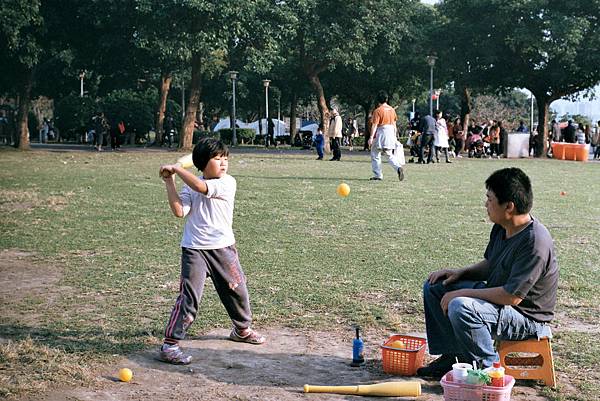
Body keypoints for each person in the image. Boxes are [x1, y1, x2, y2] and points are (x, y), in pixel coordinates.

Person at [417, 167, 558, 378]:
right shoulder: (503, 226)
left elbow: (512, 296)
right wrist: (459, 273)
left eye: (490, 199)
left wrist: (460, 294)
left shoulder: (534, 242)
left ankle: (490, 372)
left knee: (460, 306)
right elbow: (491, 264)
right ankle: (454, 357)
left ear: (509, 206)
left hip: (526, 317)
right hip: (500, 302)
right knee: (435, 286)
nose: (486, 204)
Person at [157, 138, 265, 365]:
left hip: (223, 248)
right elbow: (179, 211)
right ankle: (170, 344)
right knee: (188, 298)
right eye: (217, 159)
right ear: (202, 163)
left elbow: (201, 187)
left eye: (225, 158)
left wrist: (176, 167)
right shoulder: (189, 186)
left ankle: (241, 330)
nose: (223, 163)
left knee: (237, 291)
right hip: (194, 250)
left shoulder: (227, 183)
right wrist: (170, 182)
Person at [367, 91, 405, 181]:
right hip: (391, 132)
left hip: (382, 132)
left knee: (375, 153)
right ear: (386, 99)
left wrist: (371, 137)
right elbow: (394, 124)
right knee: (388, 154)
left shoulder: (377, 111)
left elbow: (375, 125)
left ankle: (378, 175)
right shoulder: (392, 110)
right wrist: (395, 136)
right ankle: (398, 167)